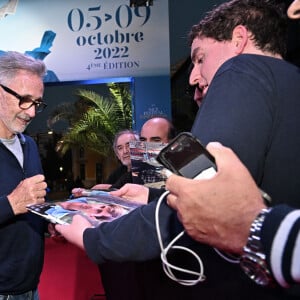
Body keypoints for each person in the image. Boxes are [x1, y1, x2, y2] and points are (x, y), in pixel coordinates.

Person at [56, 0, 300, 299]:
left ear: (239, 39)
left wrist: (93, 237)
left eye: (200, 58)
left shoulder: (242, 68)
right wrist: (151, 194)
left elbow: (202, 197)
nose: (193, 77)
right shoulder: (290, 81)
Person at [0, 51, 48, 299]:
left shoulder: (29, 144)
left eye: (37, 102)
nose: (31, 112)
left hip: (31, 287)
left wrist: (54, 219)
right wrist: (11, 204)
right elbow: (17, 202)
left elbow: (34, 201)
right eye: (24, 99)